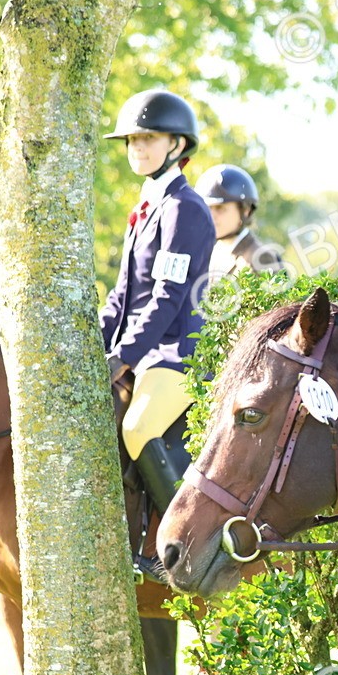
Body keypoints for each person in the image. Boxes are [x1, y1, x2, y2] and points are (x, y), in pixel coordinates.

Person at [100, 89, 214, 516]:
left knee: (137, 427)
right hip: (142, 353)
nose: (138, 147)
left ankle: (185, 545)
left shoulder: (184, 208)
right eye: (132, 140)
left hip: (175, 354)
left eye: (148, 138)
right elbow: (121, 297)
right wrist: (95, 343)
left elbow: (167, 297)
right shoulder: (146, 207)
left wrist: (124, 356)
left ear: (177, 145)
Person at [194, 163, 285, 283]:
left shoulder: (261, 257)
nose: (212, 216)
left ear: (245, 211)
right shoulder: (216, 249)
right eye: (208, 208)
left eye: (220, 208)